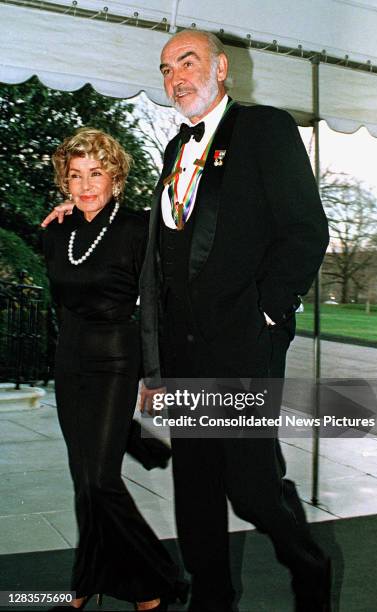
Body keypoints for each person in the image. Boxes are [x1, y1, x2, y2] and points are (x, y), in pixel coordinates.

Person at [42, 31, 330, 611]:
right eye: (167, 67)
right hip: (182, 352)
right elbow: (167, 236)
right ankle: (211, 600)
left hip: (243, 347)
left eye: (188, 61)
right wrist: (84, 205)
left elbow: (305, 230)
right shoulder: (176, 149)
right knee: (194, 491)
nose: (176, 76)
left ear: (221, 68)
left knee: (250, 491)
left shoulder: (265, 128)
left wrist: (269, 312)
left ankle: (311, 568)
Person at [42, 128, 185, 611]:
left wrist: (155, 374)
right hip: (71, 358)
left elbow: (157, 306)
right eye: (76, 175)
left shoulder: (138, 227)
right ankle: (87, 579)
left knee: (101, 478)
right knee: (82, 476)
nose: (85, 185)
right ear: (65, 179)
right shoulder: (56, 228)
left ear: (115, 176)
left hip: (117, 357)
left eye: (96, 173)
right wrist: (68, 216)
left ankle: (156, 580)